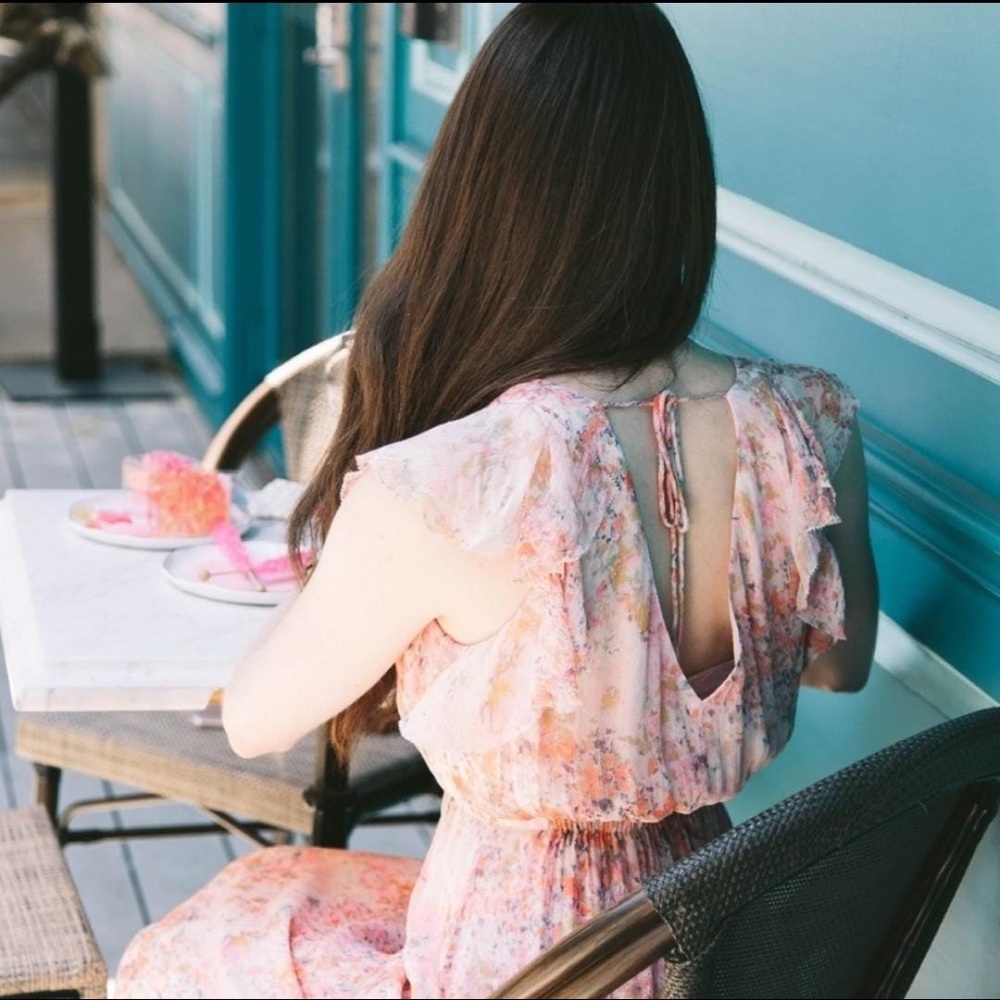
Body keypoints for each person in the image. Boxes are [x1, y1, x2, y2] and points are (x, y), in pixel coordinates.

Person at [114, 4, 879, 998]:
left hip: (515, 967)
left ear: (478, 198)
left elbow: (259, 719)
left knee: (202, 945)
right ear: (680, 188)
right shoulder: (802, 419)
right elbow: (838, 664)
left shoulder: (465, 477)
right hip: (708, 941)